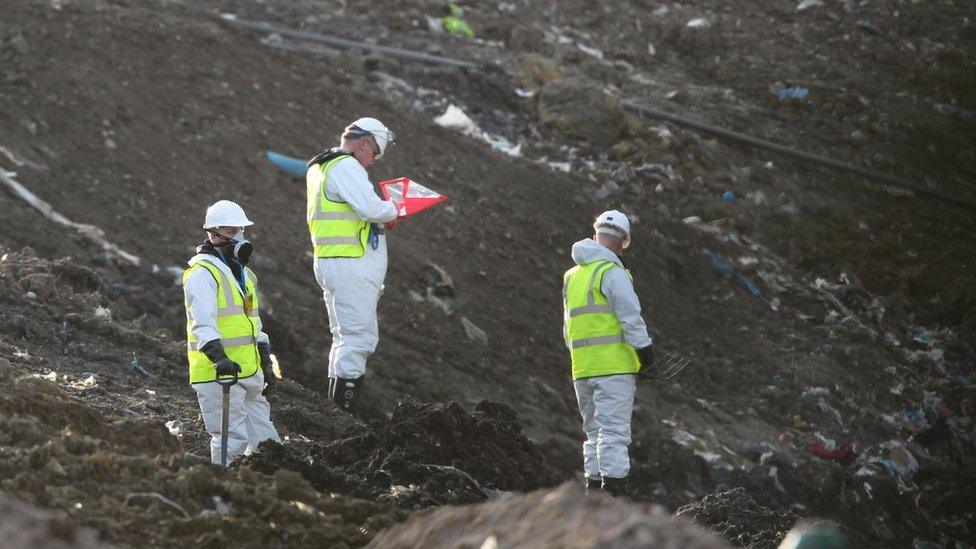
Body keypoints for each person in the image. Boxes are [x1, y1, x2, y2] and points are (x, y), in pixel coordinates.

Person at [306, 117, 399, 415]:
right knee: (357, 339)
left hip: (336, 262)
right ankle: (342, 417)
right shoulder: (346, 166)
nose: (372, 162)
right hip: (349, 265)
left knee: (345, 338)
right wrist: (395, 209)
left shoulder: (323, 166)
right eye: (374, 154)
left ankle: (335, 414)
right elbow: (370, 208)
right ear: (364, 143)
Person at [562, 210, 656, 496]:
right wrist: (645, 353)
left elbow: (568, 329)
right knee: (614, 433)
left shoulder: (572, 275)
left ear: (595, 235)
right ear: (622, 242)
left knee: (592, 434)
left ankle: (593, 495)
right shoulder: (611, 272)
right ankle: (614, 496)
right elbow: (631, 317)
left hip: (582, 368)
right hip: (614, 368)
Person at [183, 200, 281, 464]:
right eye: (230, 231)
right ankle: (226, 488)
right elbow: (202, 323)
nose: (237, 237)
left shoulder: (245, 275)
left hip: (247, 373)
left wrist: (264, 359)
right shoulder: (202, 274)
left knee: (268, 444)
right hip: (219, 374)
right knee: (230, 439)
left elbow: (253, 322)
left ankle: (268, 491)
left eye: (240, 230)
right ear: (213, 234)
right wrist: (219, 357)